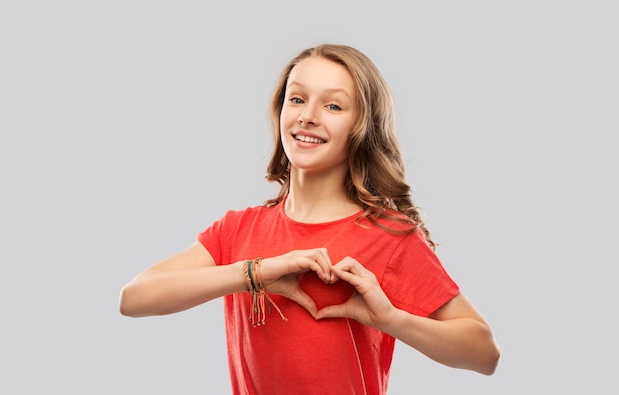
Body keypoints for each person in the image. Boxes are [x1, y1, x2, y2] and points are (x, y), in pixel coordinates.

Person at [119, 43, 501, 394]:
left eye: (333, 106)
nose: (308, 116)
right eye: (297, 99)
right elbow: (133, 298)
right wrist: (253, 272)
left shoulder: (388, 235)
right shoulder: (237, 230)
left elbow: (485, 355)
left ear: (360, 127)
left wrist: (392, 319)